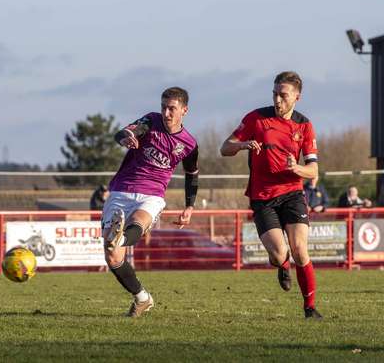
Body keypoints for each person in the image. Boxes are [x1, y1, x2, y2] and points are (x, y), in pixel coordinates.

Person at [220, 71, 322, 320]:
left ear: (297, 97)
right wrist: (243, 145)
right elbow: (224, 148)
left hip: (292, 193)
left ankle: (310, 309)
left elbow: (313, 170)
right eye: (275, 94)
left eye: (283, 95)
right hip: (263, 196)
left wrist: (296, 168)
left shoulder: (304, 125)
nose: (277, 100)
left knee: (300, 249)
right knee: (278, 254)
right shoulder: (256, 118)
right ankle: (282, 265)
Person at [102, 87, 198, 318]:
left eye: (172, 108)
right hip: (121, 191)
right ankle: (142, 298)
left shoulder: (189, 144)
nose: (166, 113)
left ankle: (121, 237)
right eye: (164, 107)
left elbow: (192, 174)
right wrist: (127, 137)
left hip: (152, 195)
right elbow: (124, 132)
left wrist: (189, 206)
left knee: (137, 222)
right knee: (113, 256)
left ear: (184, 110)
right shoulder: (151, 121)